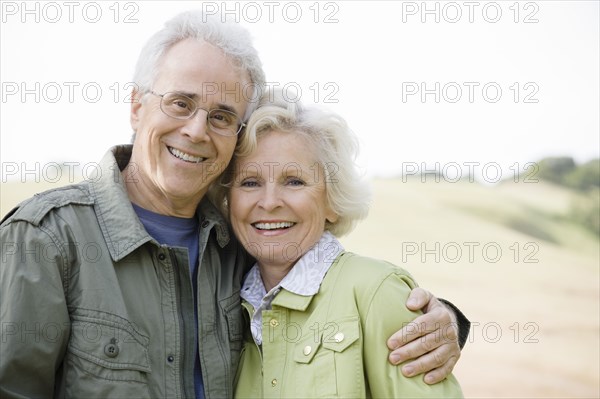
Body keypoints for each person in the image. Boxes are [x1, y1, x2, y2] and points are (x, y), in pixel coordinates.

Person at [0, 10, 467, 399]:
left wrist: (444, 320)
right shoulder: (44, 239)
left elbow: (344, 293)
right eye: (180, 103)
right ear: (136, 106)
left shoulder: (243, 247)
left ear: (235, 136)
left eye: (222, 116)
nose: (197, 131)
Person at [211, 91, 464, 398]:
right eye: (250, 182)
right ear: (228, 200)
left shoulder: (376, 290)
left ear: (332, 201)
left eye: (294, 181)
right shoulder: (227, 304)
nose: (269, 202)